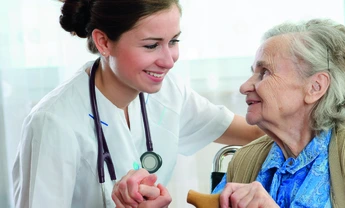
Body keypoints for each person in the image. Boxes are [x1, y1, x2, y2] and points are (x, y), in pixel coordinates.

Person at [11, 0, 264, 207]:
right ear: (104, 42)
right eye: (152, 45)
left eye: (174, 41)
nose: (169, 60)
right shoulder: (53, 123)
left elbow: (256, 132)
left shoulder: (167, 93)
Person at [212, 19, 345, 207]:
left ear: (315, 87)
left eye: (264, 72)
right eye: (253, 73)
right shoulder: (244, 162)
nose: (245, 86)